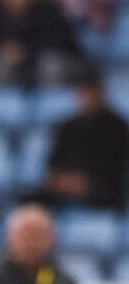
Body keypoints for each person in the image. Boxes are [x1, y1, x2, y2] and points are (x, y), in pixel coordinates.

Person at [44, 72, 129, 211]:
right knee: (31, 199)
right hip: (67, 183)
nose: (87, 98)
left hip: (101, 186)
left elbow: (118, 164)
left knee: (105, 195)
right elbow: (54, 160)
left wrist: (86, 182)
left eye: (91, 92)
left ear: (101, 93)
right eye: (83, 93)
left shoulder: (117, 126)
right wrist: (63, 180)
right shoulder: (67, 126)